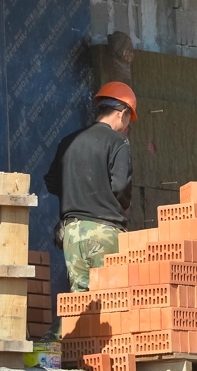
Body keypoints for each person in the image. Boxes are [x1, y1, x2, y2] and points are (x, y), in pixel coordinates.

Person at [45, 81, 137, 298]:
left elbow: (52, 182)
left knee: (80, 303)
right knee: (111, 301)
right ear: (122, 112)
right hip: (104, 232)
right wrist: (120, 202)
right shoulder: (118, 142)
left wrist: (76, 195)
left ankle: (62, 333)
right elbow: (121, 186)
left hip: (71, 234)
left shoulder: (69, 142)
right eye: (127, 120)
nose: (126, 126)